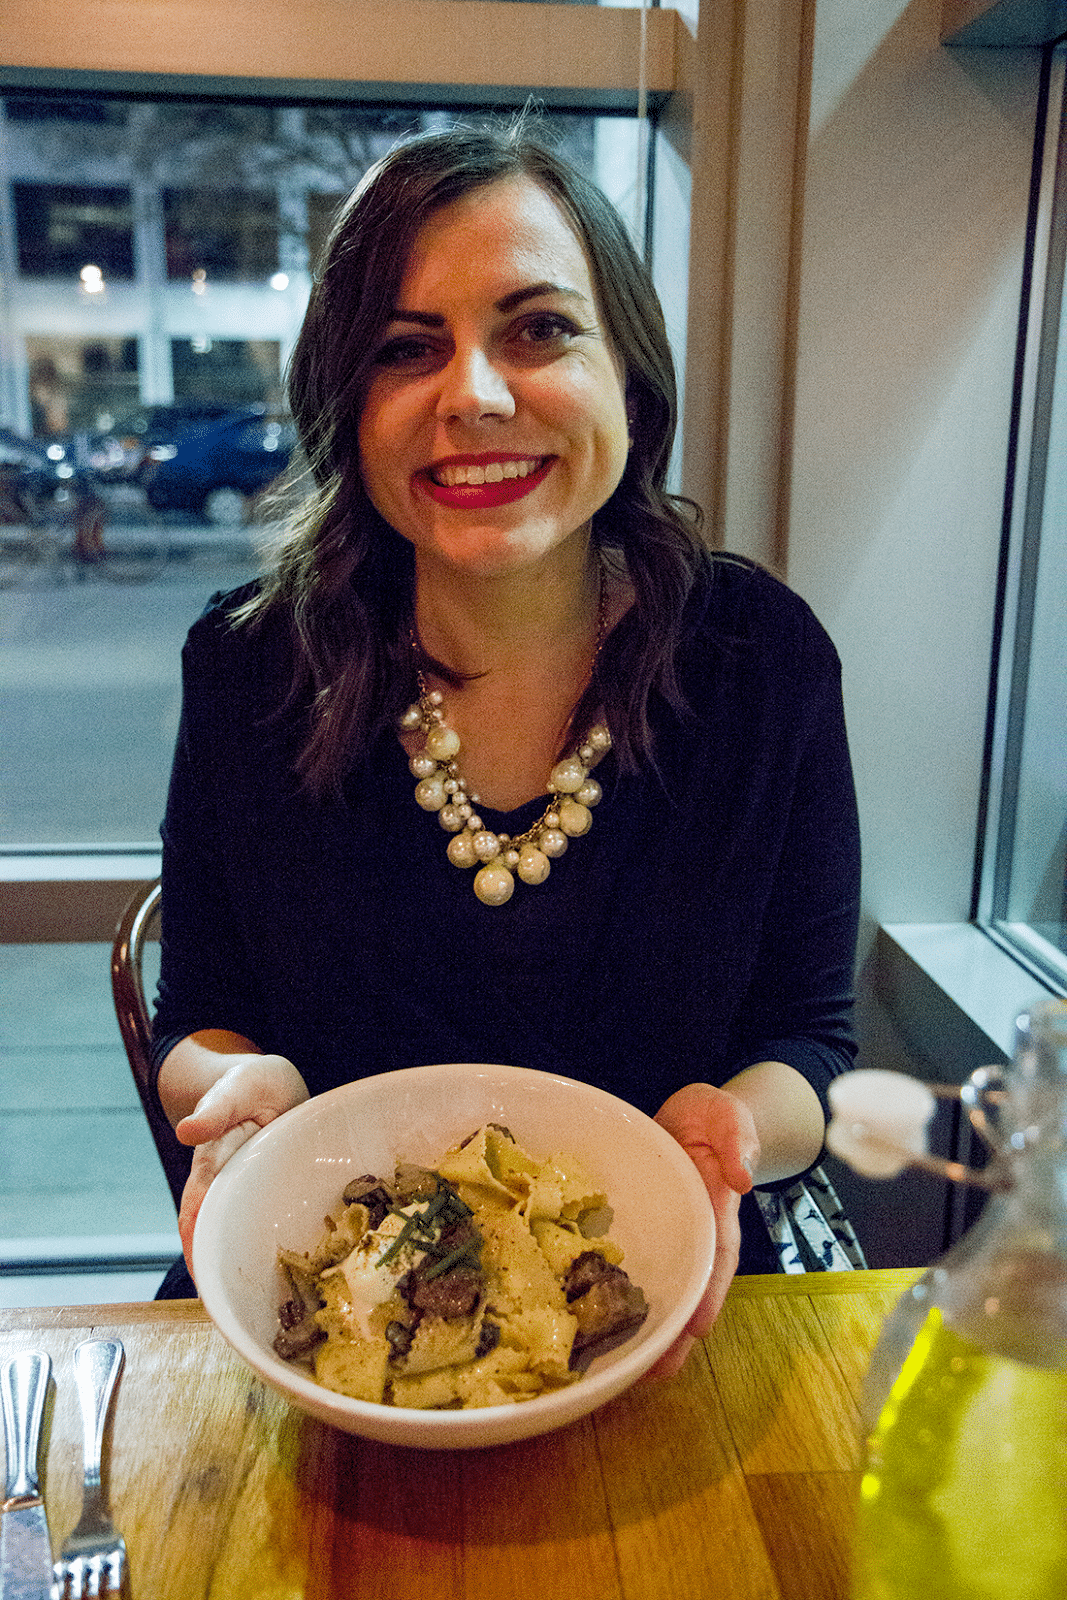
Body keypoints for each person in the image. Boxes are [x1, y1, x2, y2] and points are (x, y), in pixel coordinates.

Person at [150, 123, 861, 1376]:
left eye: (537, 329)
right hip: (346, 1296)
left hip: (682, 1284)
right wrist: (237, 1084)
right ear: (346, 405)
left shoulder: (761, 659)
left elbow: (806, 1039)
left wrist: (732, 1128)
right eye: (404, 348)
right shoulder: (252, 666)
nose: (473, 394)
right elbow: (198, 1021)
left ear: (630, 389)